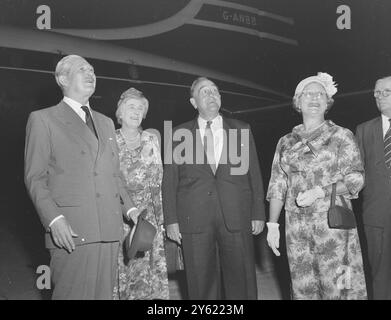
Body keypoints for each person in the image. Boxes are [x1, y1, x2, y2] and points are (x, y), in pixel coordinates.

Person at [24, 55, 139, 299]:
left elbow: (113, 175)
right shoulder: (43, 119)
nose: (91, 74)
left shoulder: (106, 123)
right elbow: (35, 178)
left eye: (93, 70)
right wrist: (54, 220)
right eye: (82, 69)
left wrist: (130, 210)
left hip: (108, 231)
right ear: (63, 78)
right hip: (72, 232)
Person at [162, 76, 265, 300]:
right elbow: (169, 181)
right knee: (200, 284)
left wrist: (258, 213)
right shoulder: (179, 135)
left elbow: (254, 175)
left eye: (215, 91)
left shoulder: (241, 129)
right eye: (204, 91)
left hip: (236, 216)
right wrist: (171, 220)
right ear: (193, 102)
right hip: (194, 219)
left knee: (242, 282)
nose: (211, 95)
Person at [266, 72, 367, 299]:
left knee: (339, 289)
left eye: (319, 94)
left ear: (327, 102)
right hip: (297, 229)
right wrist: (272, 225)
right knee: (303, 289)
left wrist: (320, 191)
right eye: (308, 94)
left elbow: (356, 178)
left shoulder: (342, 136)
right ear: (297, 102)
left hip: (333, 226)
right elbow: (277, 184)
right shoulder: (285, 142)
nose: (314, 98)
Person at [112, 87, 169, 300]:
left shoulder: (151, 140)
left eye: (141, 108)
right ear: (119, 113)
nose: (136, 111)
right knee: (124, 274)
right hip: (120, 219)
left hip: (149, 219)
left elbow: (158, 181)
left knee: (150, 274)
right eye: (131, 107)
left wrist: (163, 219)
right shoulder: (110, 140)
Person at [356, 76, 391, 299]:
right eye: (377, 93)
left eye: (386, 91)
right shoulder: (364, 130)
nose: (380, 96)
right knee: (380, 276)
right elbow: (354, 174)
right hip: (376, 217)